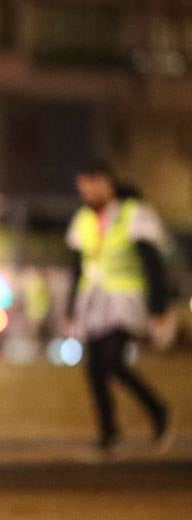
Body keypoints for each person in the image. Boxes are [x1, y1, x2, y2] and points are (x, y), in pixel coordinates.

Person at [64, 162, 173, 451]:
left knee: (111, 361)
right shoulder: (83, 220)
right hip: (93, 304)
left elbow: (153, 265)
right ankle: (109, 431)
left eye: (90, 185)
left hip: (125, 302)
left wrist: (158, 307)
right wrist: (69, 310)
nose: (85, 193)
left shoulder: (133, 214)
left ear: (106, 183)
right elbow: (76, 268)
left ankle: (156, 411)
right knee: (94, 369)